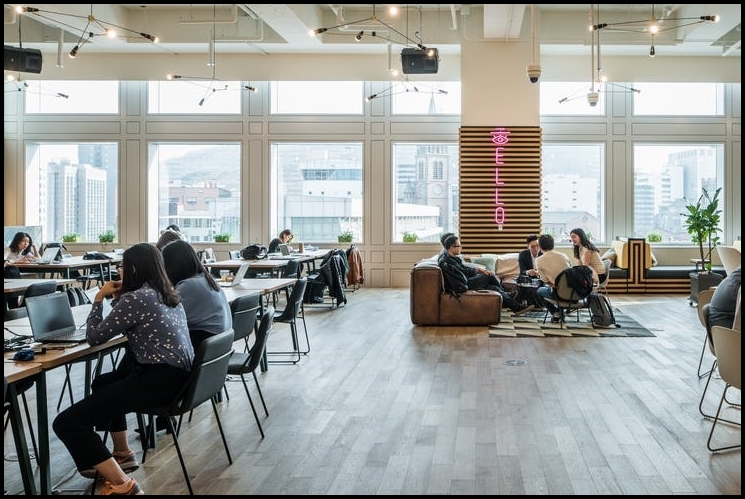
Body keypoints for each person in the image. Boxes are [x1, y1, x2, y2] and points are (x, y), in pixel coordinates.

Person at [52, 243, 194, 496]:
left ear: (134, 269)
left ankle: (123, 485)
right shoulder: (167, 293)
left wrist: (98, 298)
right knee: (105, 383)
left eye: (122, 266)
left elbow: (94, 337)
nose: (119, 270)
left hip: (158, 382)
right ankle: (122, 453)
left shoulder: (136, 298)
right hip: (179, 379)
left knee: (67, 423)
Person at [438, 235, 533, 316]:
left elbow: (462, 269)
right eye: (459, 246)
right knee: (489, 275)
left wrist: (477, 269)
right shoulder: (447, 261)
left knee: (494, 288)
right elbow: (462, 271)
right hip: (462, 285)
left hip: (465, 281)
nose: (461, 248)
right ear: (452, 248)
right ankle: (507, 295)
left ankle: (516, 307)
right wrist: (477, 270)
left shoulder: (450, 258)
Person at [162, 240, 232, 346]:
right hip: (220, 345)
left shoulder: (188, 286)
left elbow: (168, 319)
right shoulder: (206, 279)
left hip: (206, 344)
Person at [535, 234, 572, 322]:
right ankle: (560, 312)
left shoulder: (539, 260)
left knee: (539, 291)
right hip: (573, 292)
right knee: (557, 289)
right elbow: (571, 271)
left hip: (558, 293)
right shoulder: (563, 256)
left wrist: (551, 284)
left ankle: (556, 312)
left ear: (539, 246)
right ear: (553, 244)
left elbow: (544, 280)